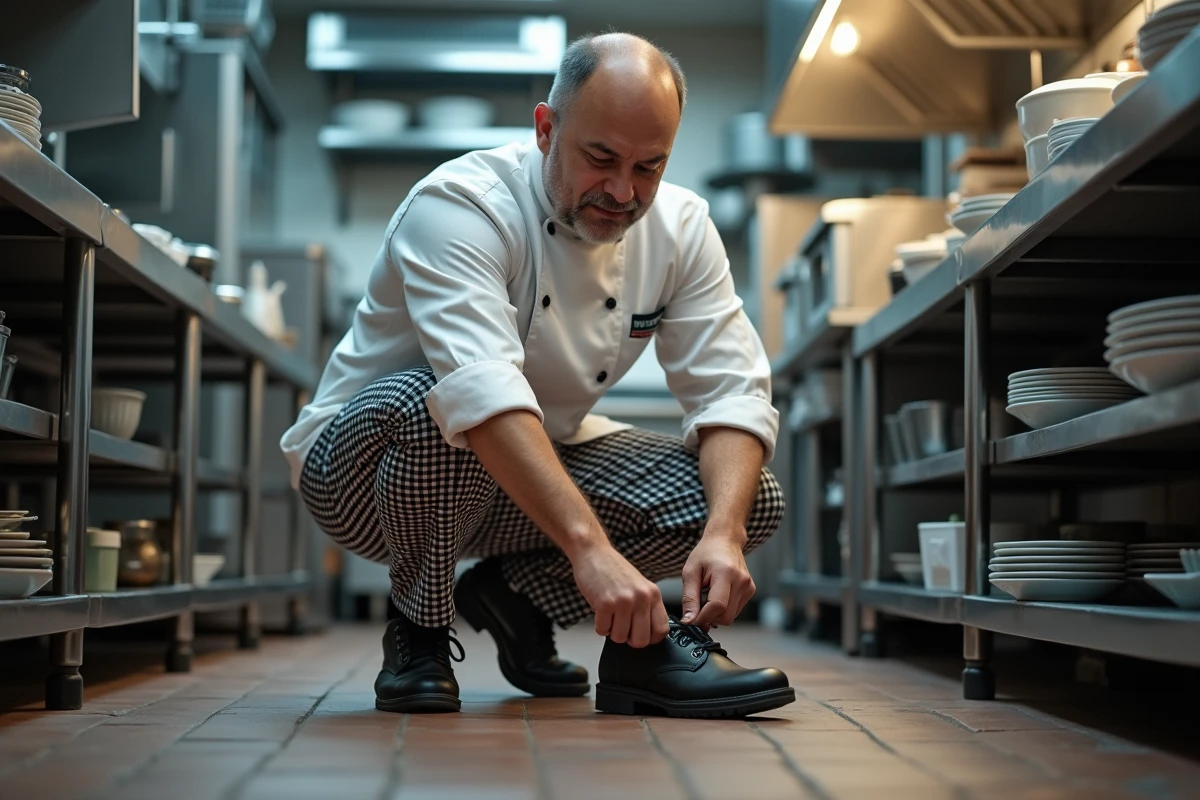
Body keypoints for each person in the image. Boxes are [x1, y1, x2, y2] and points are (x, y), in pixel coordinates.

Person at [281, 31, 794, 719]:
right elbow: (481, 392)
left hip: (521, 477)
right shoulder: (461, 204)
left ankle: (518, 599)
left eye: (649, 166)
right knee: (430, 404)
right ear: (546, 129)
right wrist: (591, 551)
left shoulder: (683, 228)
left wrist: (724, 535)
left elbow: (730, 387)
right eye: (601, 158)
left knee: (747, 497)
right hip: (366, 477)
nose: (622, 190)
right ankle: (419, 630)